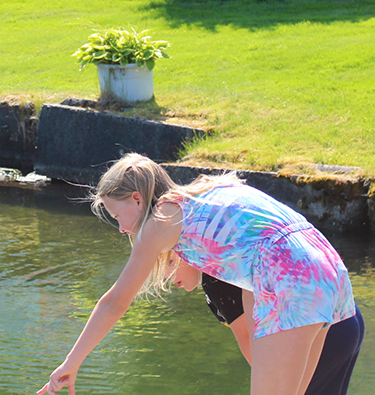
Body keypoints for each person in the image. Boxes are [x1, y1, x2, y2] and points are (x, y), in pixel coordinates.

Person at [38, 153, 357, 395]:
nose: (122, 228)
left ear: (137, 199)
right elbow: (252, 276)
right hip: (328, 269)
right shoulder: (210, 189)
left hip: (290, 279)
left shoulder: (160, 220)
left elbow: (114, 303)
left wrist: (72, 362)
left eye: (117, 215)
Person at [167, 252, 364, 395]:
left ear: (184, 250)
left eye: (169, 262)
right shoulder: (229, 255)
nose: (166, 276)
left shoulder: (215, 277)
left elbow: (254, 349)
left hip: (320, 333)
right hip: (345, 314)